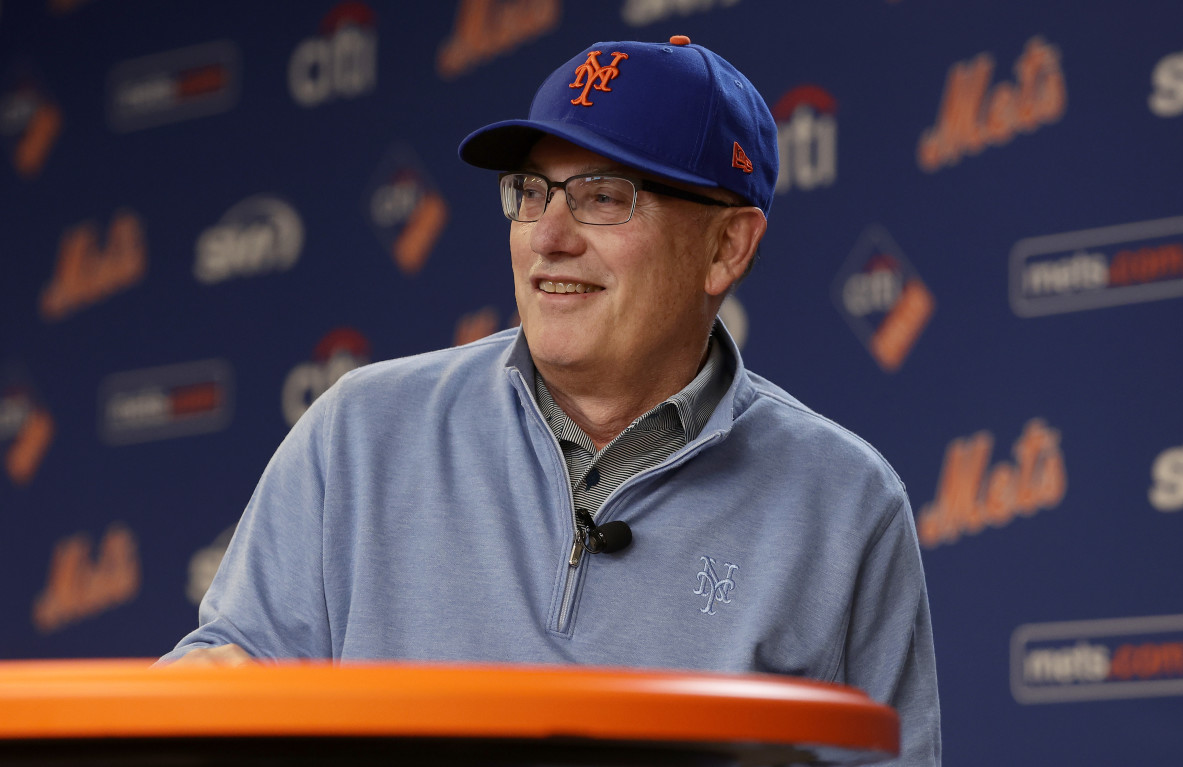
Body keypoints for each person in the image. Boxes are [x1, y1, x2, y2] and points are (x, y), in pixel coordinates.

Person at [163, 37, 941, 765]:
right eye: (532, 192)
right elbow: (217, 682)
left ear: (726, 247)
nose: (548, 235)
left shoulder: (847, 507)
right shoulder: (357, 434)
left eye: (603, 196)